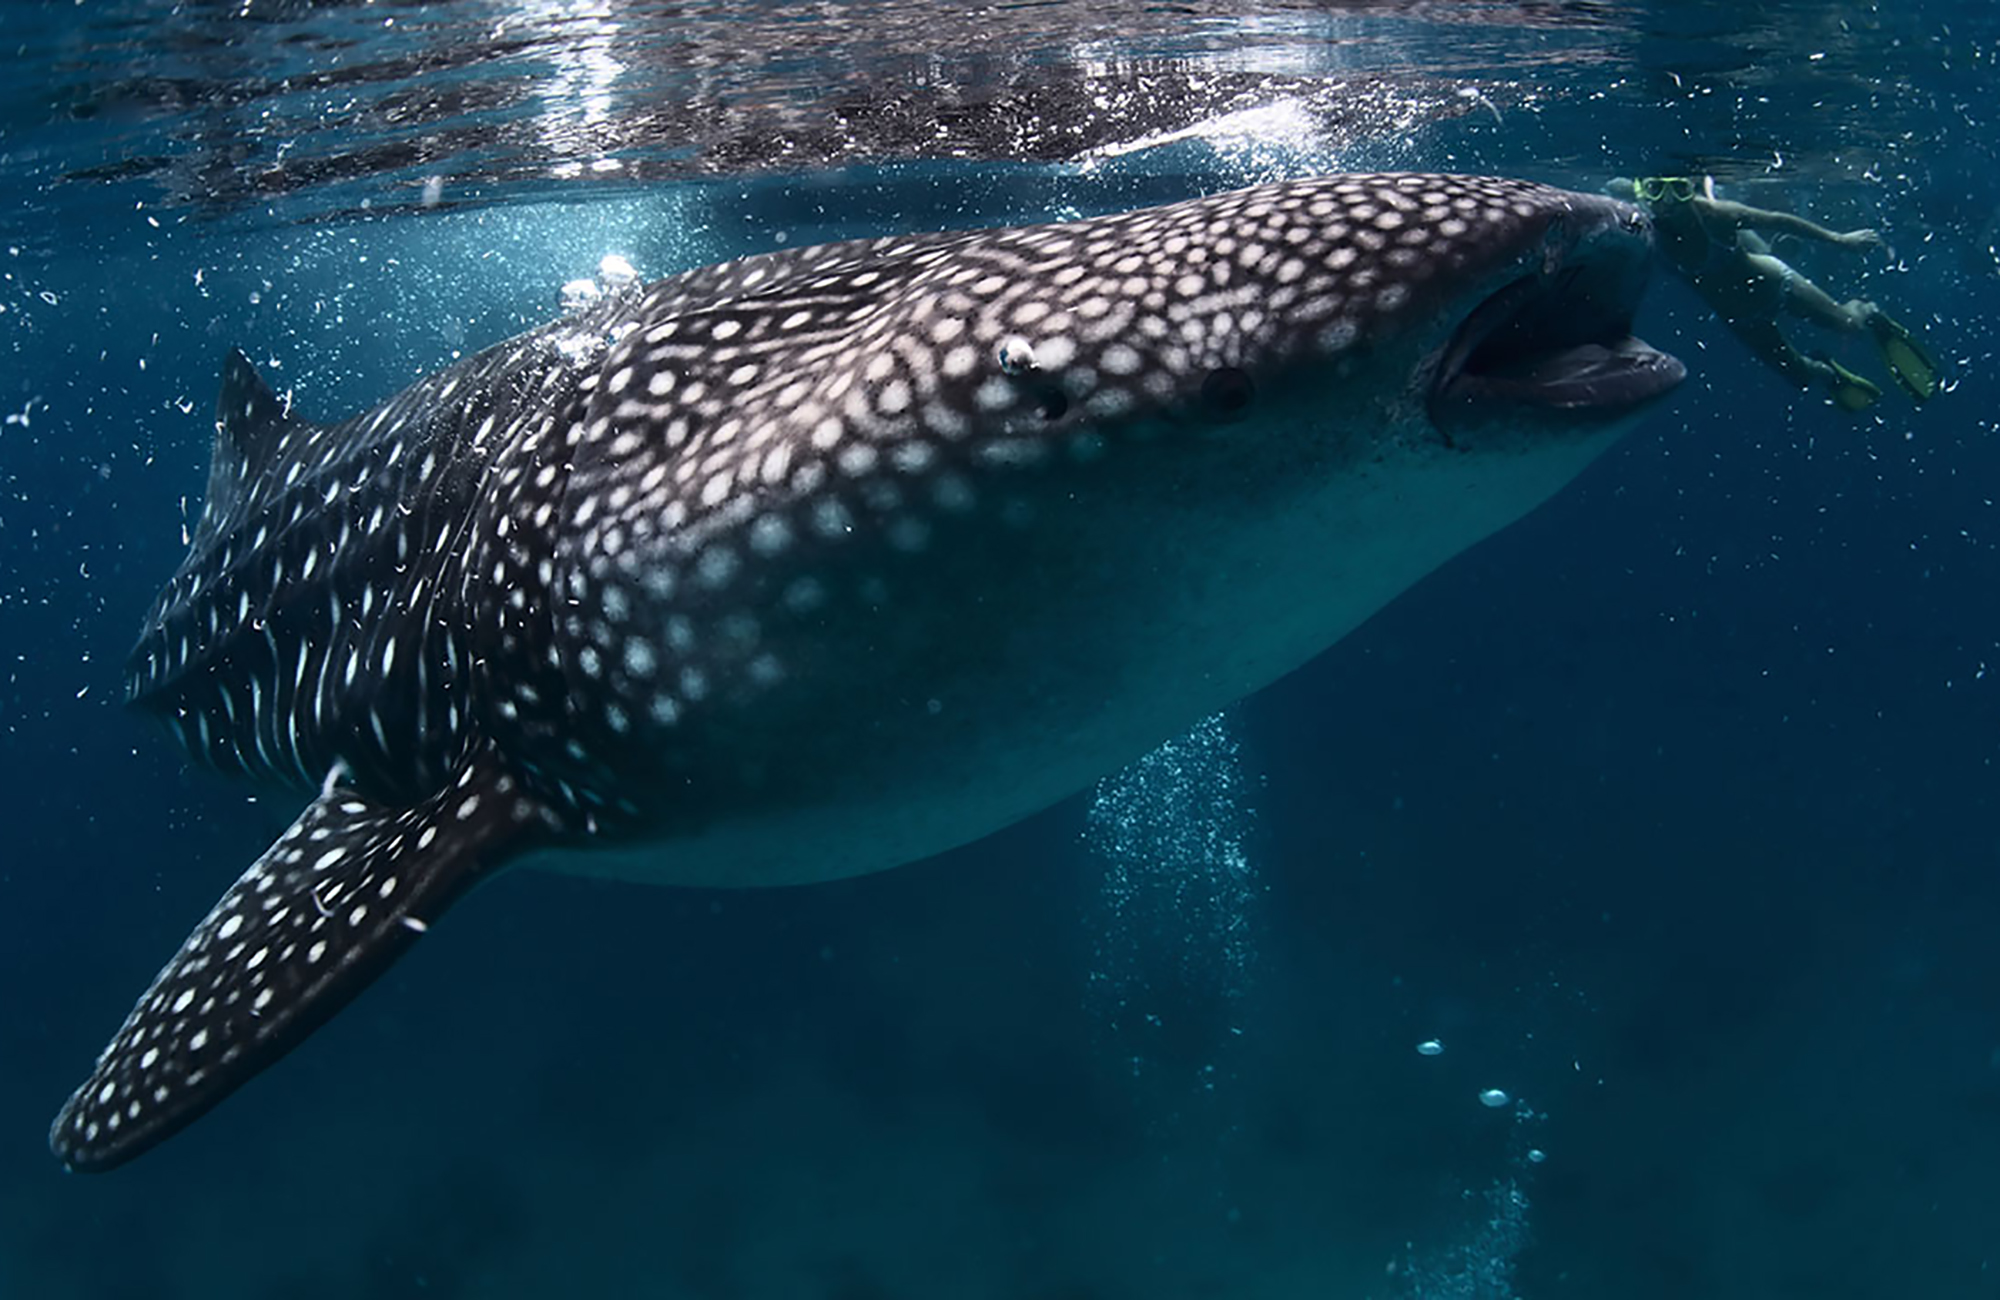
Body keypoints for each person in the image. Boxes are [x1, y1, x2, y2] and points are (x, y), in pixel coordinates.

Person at [1607, 175, 1938, 412]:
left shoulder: (1716, 215)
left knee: (1849, 324)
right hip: (1743, 320)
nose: (1666, 203)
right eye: (1654, 190)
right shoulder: (1640, 226)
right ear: (1641, 191)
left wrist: (1840, 240)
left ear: (1690, 189)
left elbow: (1781, 219)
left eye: (1678, 190)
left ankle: (1869, 314)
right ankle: (1830, 372)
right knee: (1799, 376)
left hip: (1778, 283)